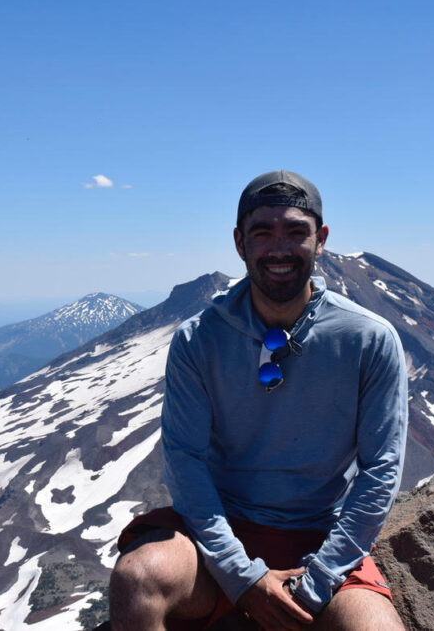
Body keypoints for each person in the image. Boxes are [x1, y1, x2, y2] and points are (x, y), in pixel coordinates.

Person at [109, 170, 408, 631]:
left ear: (321, 239)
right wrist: (240, 576)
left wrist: (316, 583)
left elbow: (382, 468)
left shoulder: (368, 338)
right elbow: (184, 459)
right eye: (262, 232)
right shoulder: (198, 339)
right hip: (216, 535)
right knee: (138, 579)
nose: (279, 248)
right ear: (239, 243)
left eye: (295, 231)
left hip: (319, 539)